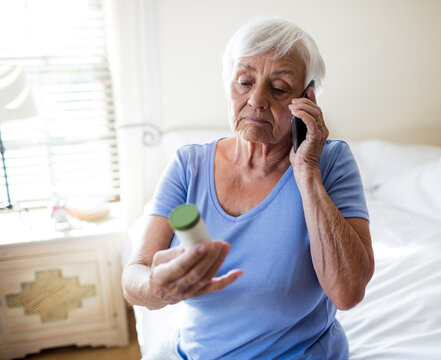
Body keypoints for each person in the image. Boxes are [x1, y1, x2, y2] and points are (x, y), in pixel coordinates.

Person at [122, 18, 374, 359]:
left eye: (280, 88)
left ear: (307, 98)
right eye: (244, 82)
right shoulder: (188, 165)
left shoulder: (331, 163)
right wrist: (157, 286)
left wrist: (306, 172)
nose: (256, 99)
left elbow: (347, 293)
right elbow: (134, 277)